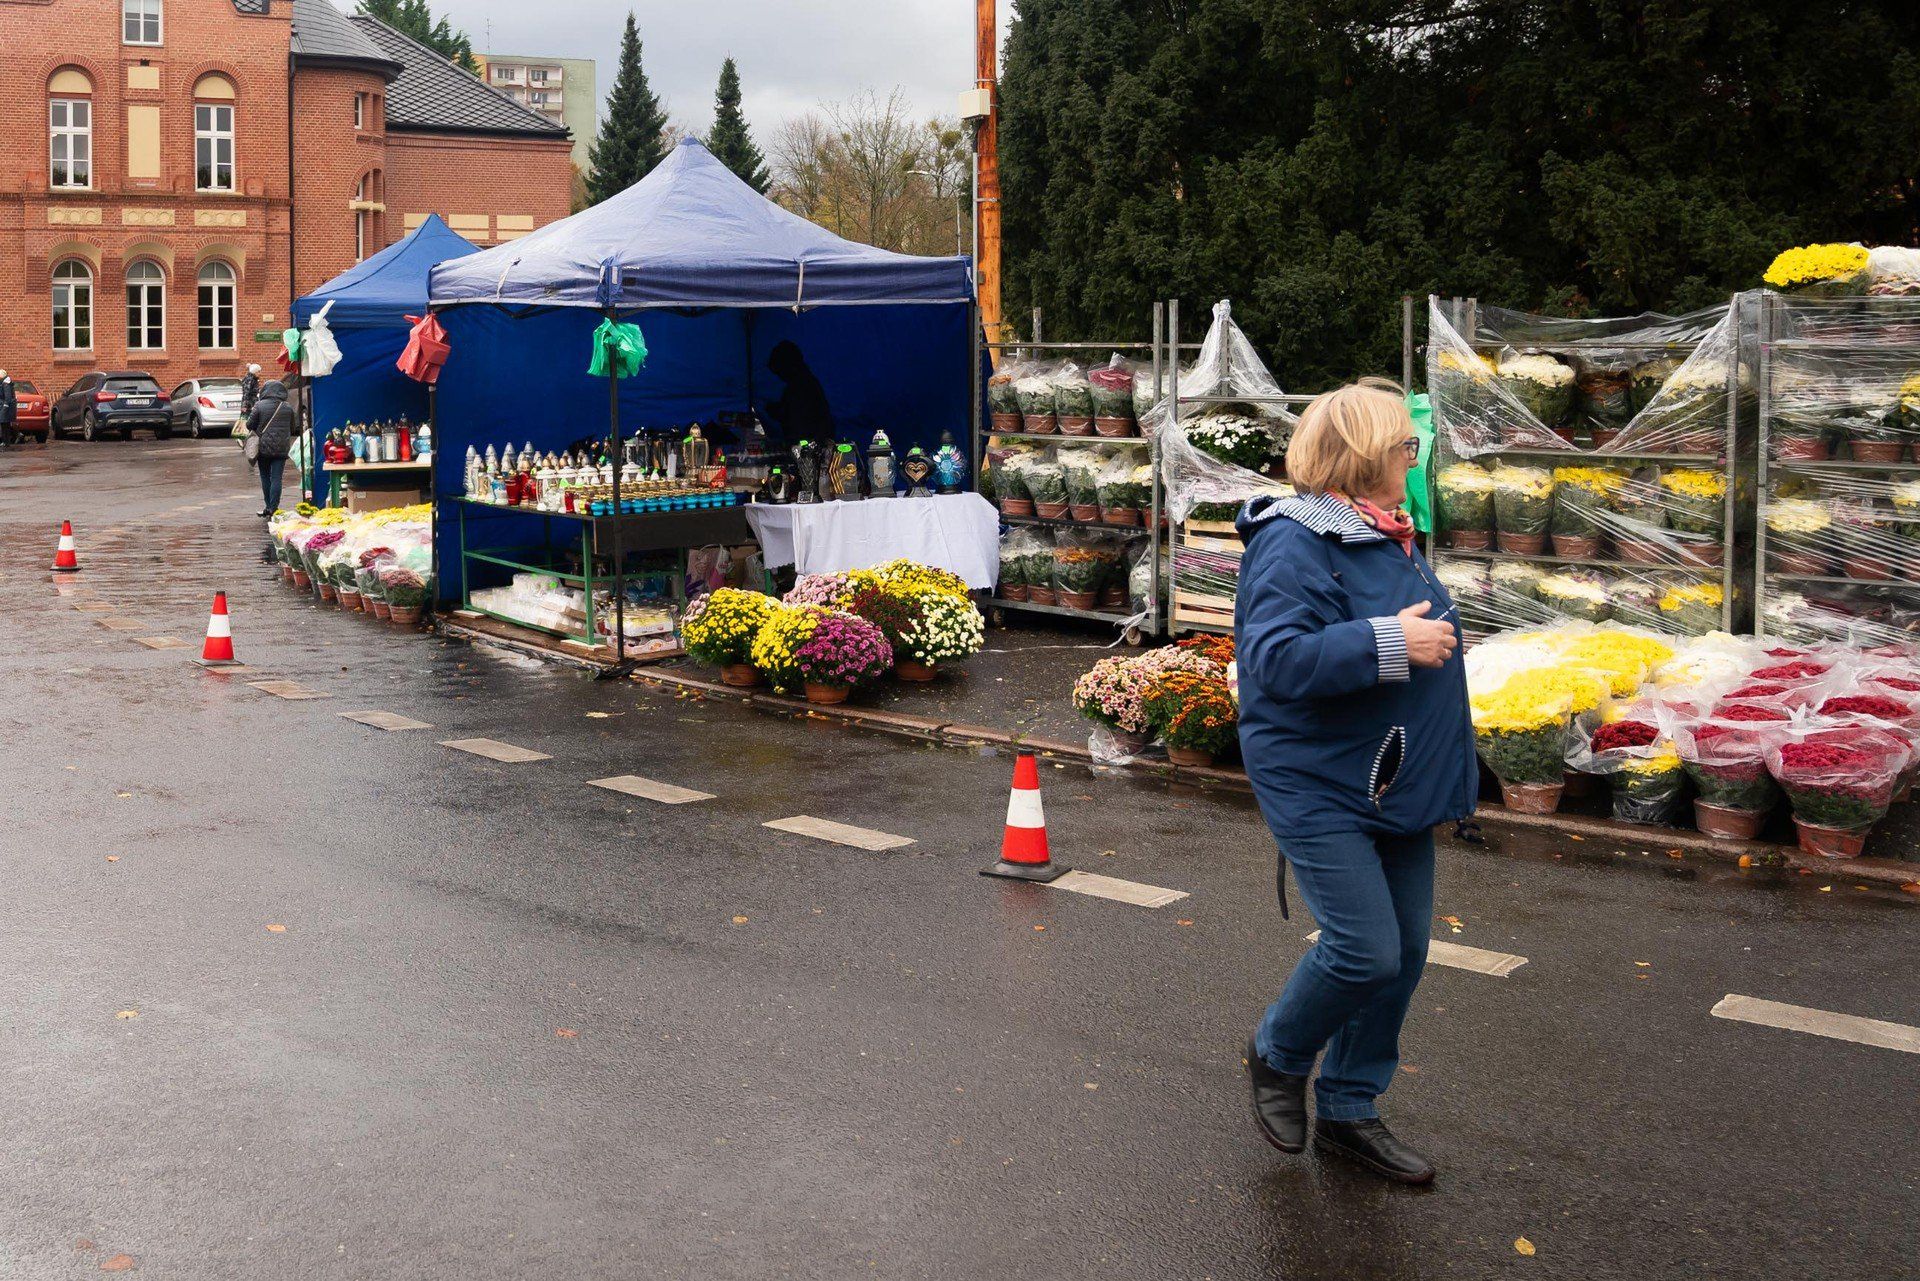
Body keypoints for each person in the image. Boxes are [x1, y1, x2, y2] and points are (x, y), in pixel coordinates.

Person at [1235, 378, 1476, 1185]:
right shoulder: (1295, 540)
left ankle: (1348, 1105)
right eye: (1407, 447)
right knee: (1364, 949)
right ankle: (1277, 1053)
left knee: (1403, 954)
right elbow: (1273, 661)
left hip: (1391, 779)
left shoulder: (1388, 532)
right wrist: (1389, 641)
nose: (1416, 459)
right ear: (1365, 455)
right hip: (1318, 780)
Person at [766, 340, 834, 444]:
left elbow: (799, 423)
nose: (780, 376)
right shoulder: (801, 384)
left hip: (809, 447)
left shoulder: (803, 386)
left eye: (780, 371)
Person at [244, 379, 294, 516]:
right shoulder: (287, 407)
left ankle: (268, 507)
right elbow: (293, 426)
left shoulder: (259, 406)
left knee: (265, 477)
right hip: (282, 448)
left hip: (263, 448)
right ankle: (274, 507)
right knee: (277, 478)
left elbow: (249, 425)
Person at [0, 370, 16, 447]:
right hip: (5, 407)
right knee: (5, 424)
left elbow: (8, 397)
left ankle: (6, 442)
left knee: (4, 424)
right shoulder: (5, 383)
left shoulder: (6, 384)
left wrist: (5, 407)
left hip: (5, 407)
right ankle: (6, 441)